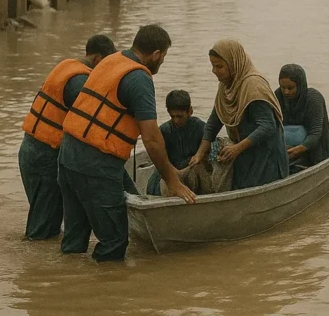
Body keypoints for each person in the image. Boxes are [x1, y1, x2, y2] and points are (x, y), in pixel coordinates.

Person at [57, 24, 195, 261]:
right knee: (115, 240)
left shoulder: (112, 60)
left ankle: (69, 287)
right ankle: (109, 293)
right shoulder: (139, 79)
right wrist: (173, 182)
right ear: (156, 54)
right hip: (96, 164)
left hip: (68, 155)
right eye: (163, 57)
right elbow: (151, 139)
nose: (162, 62)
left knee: (74, 238)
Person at [18, 34, 116, 240]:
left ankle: (42, 262)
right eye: (105, 63)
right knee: (42, 229)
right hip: (46, 156)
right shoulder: (80, 81)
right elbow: (88, 126)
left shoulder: (66, 66)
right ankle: (38, 268)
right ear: (98, 58)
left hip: (30, 149)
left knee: (45, 219)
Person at [188, 40, 289, 190]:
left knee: (258, 190)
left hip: (266, 154)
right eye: (213, 66)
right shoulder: (226, 84)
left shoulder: (253, 85)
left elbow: (268, 126)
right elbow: (214, 122)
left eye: (219, 66)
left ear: (234, 64)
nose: (214, 71)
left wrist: (236, 148)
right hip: (245, 151)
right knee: (241, 186)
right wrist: (200, 153)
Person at [145, 90, 206, 196]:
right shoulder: (164, 130)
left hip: (192, 168)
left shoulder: (200, 127)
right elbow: (160, 158)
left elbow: (209, 148)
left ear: (190, 111)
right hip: (170, 169)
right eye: (172, 116)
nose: (176, 120)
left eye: (180, 116)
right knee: (153, 189)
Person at [275, 64, 329, 172]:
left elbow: (316, 133)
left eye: (290, 88)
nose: (286, 92)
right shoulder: (278, 96)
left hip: (317, 149)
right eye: (283, 87)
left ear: (300, 85)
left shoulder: (313, 99)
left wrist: (298, 150)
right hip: (289, 146)